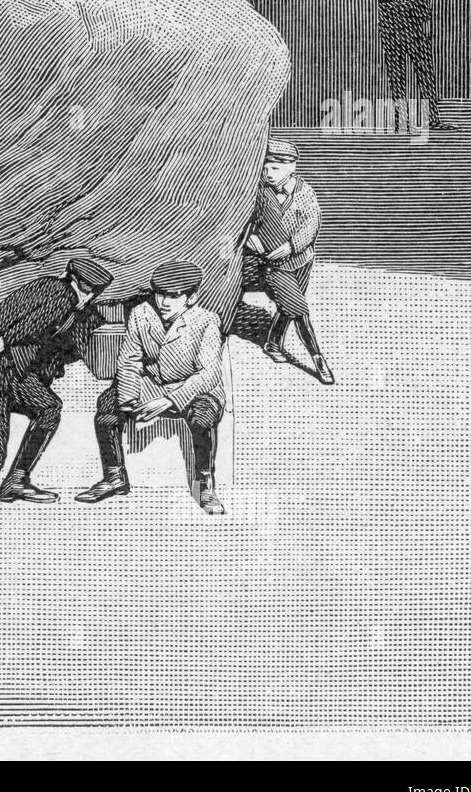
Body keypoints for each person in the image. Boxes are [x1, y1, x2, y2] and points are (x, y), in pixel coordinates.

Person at [78, 260, 227, 515]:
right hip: (153, 384)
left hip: (194, 388)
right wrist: (127, 403)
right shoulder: (141, 314)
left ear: (191, 298)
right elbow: (129, 360)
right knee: (106, 405)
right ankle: (115, 477)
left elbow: (208, 374)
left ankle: (204, 485)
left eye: (174, 295)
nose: (164, 302)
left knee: (203, 417)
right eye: (160, 294)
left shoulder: (208, 321)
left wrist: (168, 401)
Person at [0, 258, 114, 504]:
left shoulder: (83, 312)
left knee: (48, 408)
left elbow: (72, 350)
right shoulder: (57, 292)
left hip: (17, 370)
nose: (86, 296)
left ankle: (16, 480)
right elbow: (15, 331)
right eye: (84, 288)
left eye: (93, 291)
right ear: (72, 279)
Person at [246, 138, 334, 385]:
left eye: (275, 168)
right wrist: (251, 239)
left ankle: (273, 343)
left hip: (301, 259)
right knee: (299, 309)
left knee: (290, 307)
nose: (268, 174)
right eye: (265, 167)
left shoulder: (304, 192)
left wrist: (291, 247)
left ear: (292, 167)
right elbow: (247, 220)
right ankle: (318, 359)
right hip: (273, 265)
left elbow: (311, 225)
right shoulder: (259, 191)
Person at [378, 0, 455, 131]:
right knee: (398, 75)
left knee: (425, 72)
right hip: (396, 30)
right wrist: (407, 0)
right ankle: (402, 121)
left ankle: (432, 118)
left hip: (414, 30)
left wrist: (425, 19)